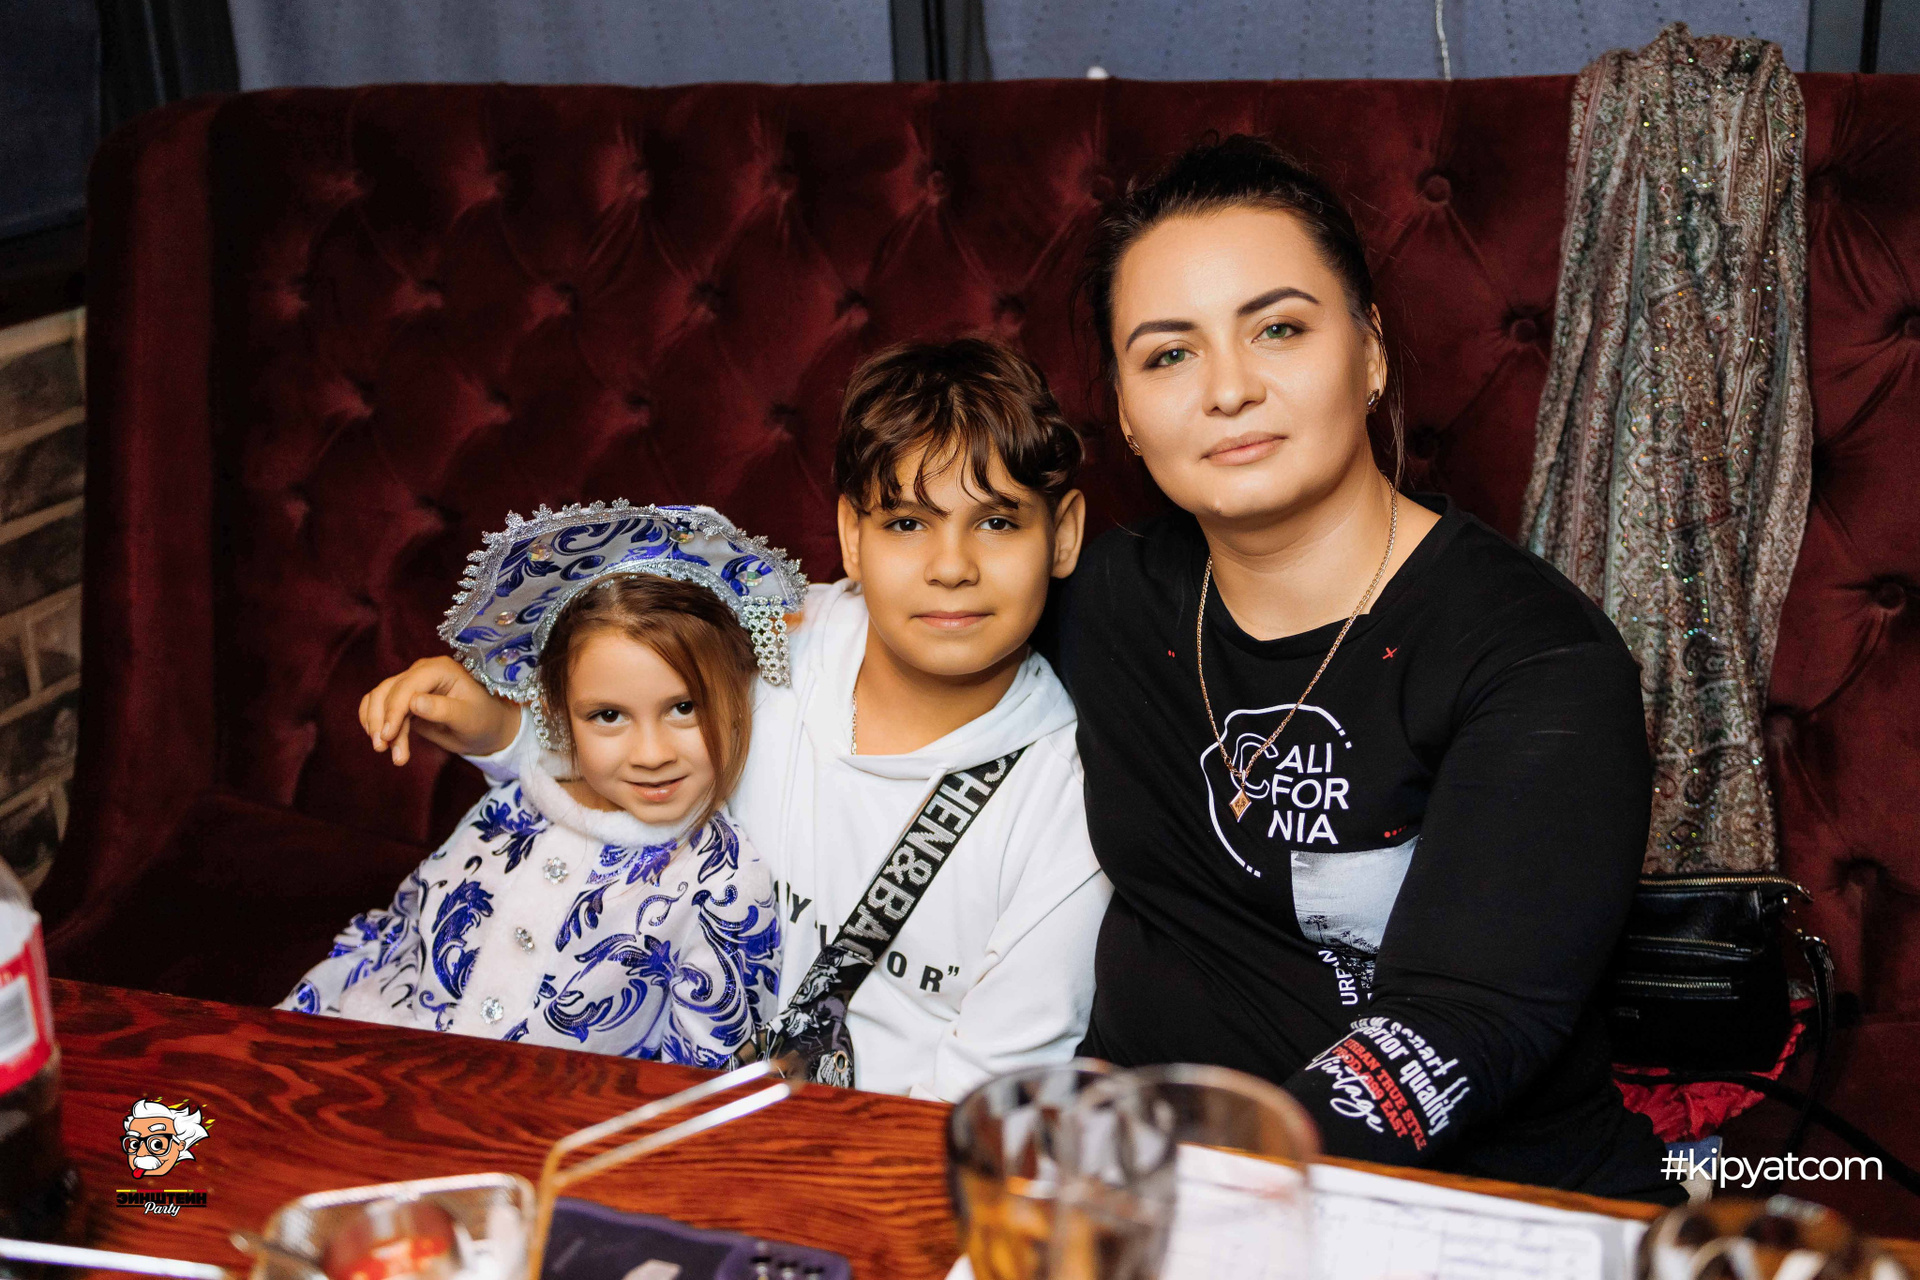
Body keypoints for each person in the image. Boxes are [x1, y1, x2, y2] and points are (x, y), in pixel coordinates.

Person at [1060, 136, 1676, 1200]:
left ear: (1372, 353)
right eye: (1168, 355)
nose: (1229, 389)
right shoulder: (1104, 597)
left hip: (1470, 1212)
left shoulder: (1537, 658)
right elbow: (863, 600)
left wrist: (1197, 1194)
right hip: (1132, 1183)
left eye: (1279, 329)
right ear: (1122, 408)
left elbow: (1461, 1023)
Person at [357, 339, 1111, 1102]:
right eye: (908, 524)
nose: (951, 568)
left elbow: (986, 1104)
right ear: (852, 536)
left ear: (1064, 535)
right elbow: (632, 769)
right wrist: (505, 734)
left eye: (998, 523)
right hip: (645, 1089)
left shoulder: (1073, 805)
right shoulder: (765, 640)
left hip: (868, 1148)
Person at [281, 504, 798, 1067]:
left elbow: (706, 1079)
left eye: (684, 707)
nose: (652, 754)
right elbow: (392, 947)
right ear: (558, 713)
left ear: (737, 693)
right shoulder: (510, 807)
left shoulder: (722, 884)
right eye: (608, 716)